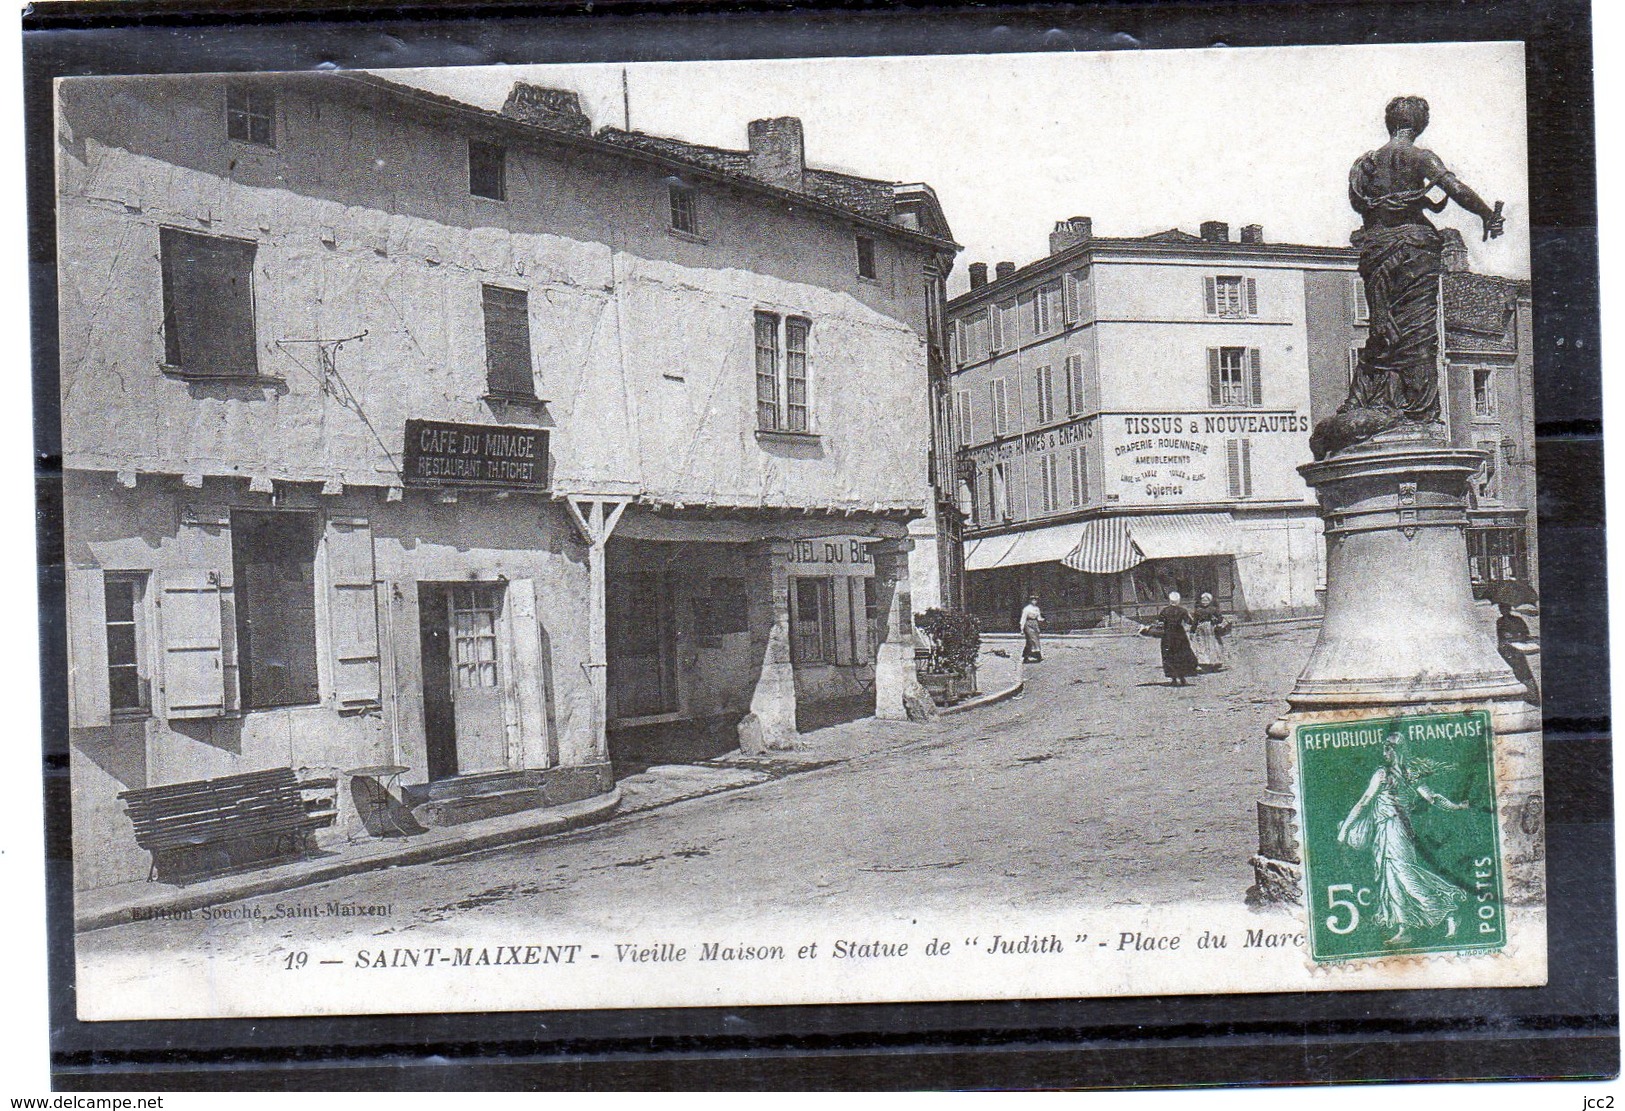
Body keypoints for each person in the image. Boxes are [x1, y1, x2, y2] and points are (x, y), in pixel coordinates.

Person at [1343, 95, 1505, 425]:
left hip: (1376, 248)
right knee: (1417, 330)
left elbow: (1360, 206)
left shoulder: (1364, 164)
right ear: (1419, 125)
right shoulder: (1419, 157)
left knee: (1382, 327)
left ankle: (1366, 399)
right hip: (1414, 250)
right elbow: (1456, 189)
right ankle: (1419, 410)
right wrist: (1488, 214)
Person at [1337, 731, 1470, 946]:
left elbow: (1432, 798)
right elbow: (1364, 802)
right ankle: (1404, 929)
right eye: (1384, 747)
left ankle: (1448, 912)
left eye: (1388, 748)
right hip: (1384, 832)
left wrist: (1456, 806)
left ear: (1398, 750)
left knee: (1407, 876)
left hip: (1397, 830)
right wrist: (1346, 827)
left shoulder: (1406, 773)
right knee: (1391, 880)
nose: (1384, 752)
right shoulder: (1384, 773)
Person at [1143, 591, 1199, 687]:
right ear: (1178, 600)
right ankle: (1182, 678)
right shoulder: (1183, 610)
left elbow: (1159, 623)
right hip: (1179, 636)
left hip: (1167, 636)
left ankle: (1173, 678)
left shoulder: (1164, 611)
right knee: (1181, 655)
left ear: (1170, 600)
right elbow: (1190, 622)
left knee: (1169, 656)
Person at [1496, 602, 1541, 705]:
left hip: (1518, 650)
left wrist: (1514, 636)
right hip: (1507, 651)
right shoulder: (1500, 621)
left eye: (1504, 608)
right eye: (1501, 609)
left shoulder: (1518, 620)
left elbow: (1526, 634)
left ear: (1509, 609)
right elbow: (1500, 638)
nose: (1502, 611)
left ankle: (1532, 696)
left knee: (1523, 672)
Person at [1189, 592, 1231, 672]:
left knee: (1213, 644)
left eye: (1206, 600)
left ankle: (1215, 662)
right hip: (1201, 629)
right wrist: (1192, 631)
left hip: (1211, 628)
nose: (1204, 602)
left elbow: (1220, 618)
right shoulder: (1198, 610)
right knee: (1202, 644)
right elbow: (1195, 622)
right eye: (1203, 600)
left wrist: (1215, 620)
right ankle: (1204, 662)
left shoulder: (1213, 609)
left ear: (1210, 601)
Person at [1019, 595, 1046, 663]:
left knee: (1033, 640)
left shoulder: (1037, 609)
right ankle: (1036, 656)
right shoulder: (1027, 609)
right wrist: (1022, 628)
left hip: (1035, 624)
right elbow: (1023, 618)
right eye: (1032, 600)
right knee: (1032, 639)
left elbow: (1038, 617)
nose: (1034, 601)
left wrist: (1043, 620)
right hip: (1028, 624)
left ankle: (1027, 656)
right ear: (1030, 601)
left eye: (1035, 600)